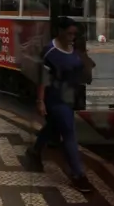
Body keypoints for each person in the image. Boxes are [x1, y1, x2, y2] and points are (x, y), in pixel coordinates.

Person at [26, 17, 93, 193]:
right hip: (55, 98)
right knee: (69, 132)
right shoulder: (50, 51)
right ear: (60, 31)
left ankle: (34, 150)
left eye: (74, 34)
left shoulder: (74, 48)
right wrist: (40, 101)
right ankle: (78, 175)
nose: (72, 37)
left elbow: (82, 67)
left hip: (71, 96)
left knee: (53, 128)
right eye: (69, 33)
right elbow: (43, 79)